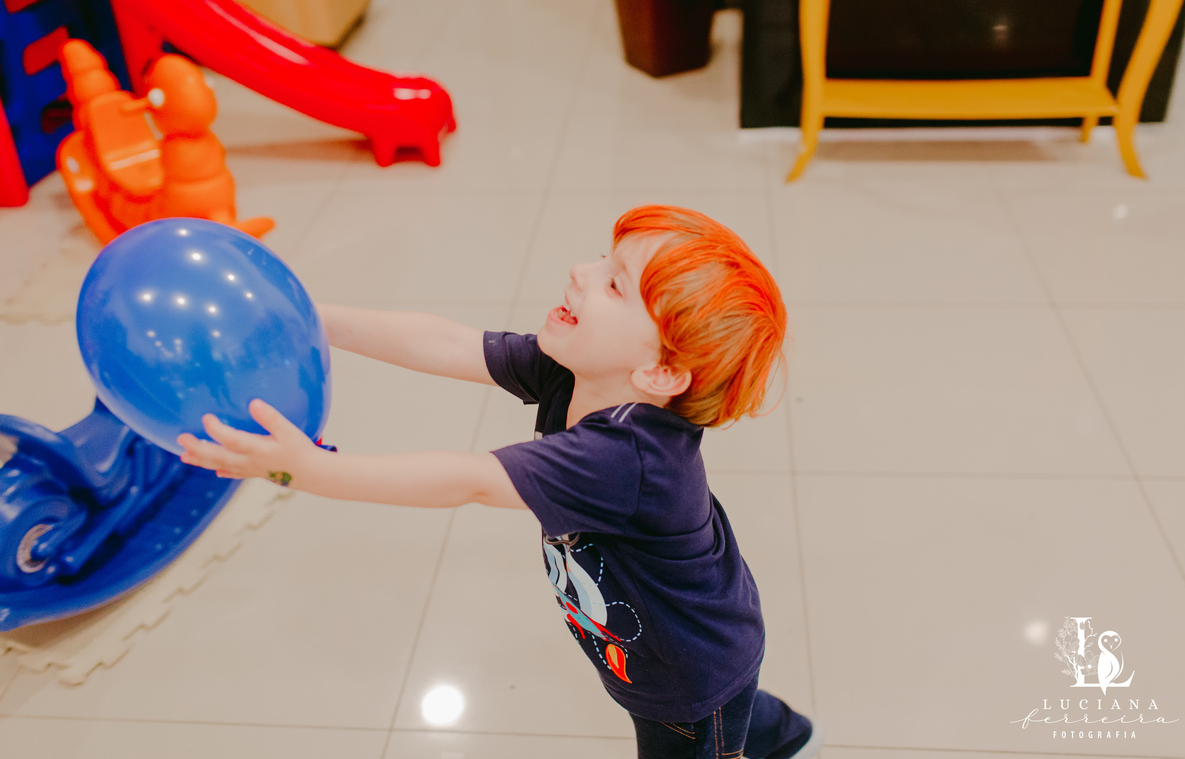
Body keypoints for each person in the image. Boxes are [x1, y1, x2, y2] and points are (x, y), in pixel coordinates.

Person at [178, 204, 825, 759]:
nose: (580, 271)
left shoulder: (626, 460)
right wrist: (312, 319)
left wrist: (313, 468)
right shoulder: (575, 371)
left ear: (659, 374)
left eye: (614, 286)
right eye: (604, 259)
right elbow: (451, 344)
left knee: (709, 724)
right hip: (699, 629)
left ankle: (761, 733)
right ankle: (783, 735)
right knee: (739, 696)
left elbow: (469, 481)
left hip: (685, 683)